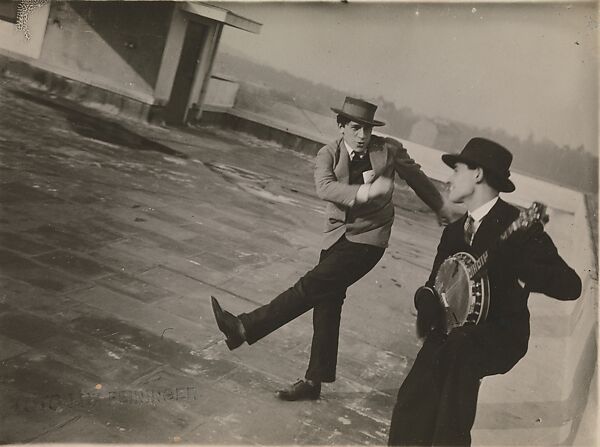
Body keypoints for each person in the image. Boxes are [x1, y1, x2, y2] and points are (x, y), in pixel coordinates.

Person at [211, 96, 459, 401]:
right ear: (341, 126)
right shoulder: (327, 153)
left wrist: (440, 206)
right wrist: (367, 191)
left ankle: (243, 328)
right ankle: (314, 382)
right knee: (327, 303)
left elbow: (417, 177)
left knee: (309, 287)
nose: (363, 135)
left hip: (369, 239)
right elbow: (325, 188)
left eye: (367, 129)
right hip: (336, 237)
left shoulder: (388, 149)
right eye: (356, 128)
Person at [388, 137, 582, 446]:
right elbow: (435, 283)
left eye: (458, 170)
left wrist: (519, 265)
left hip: (499, 333)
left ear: (477, 174)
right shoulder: (454, 230)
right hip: (454, 330)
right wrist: (424, 299)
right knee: (414, 395)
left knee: (457, 366)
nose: (450, 178)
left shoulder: (519, 225)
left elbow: (571, 286)